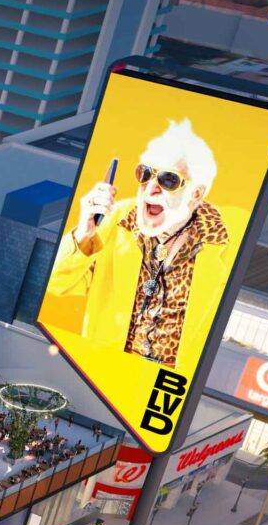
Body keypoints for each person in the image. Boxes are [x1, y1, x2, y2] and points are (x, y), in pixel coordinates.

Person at [44, 118, 236, 367]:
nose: (151, 187)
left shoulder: (223, 242)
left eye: (169, 180)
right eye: (144, 173)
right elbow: (57, 284)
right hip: (101, 373)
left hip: (165, 388)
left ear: (196, 193)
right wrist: (83, 233)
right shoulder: (114, 221)